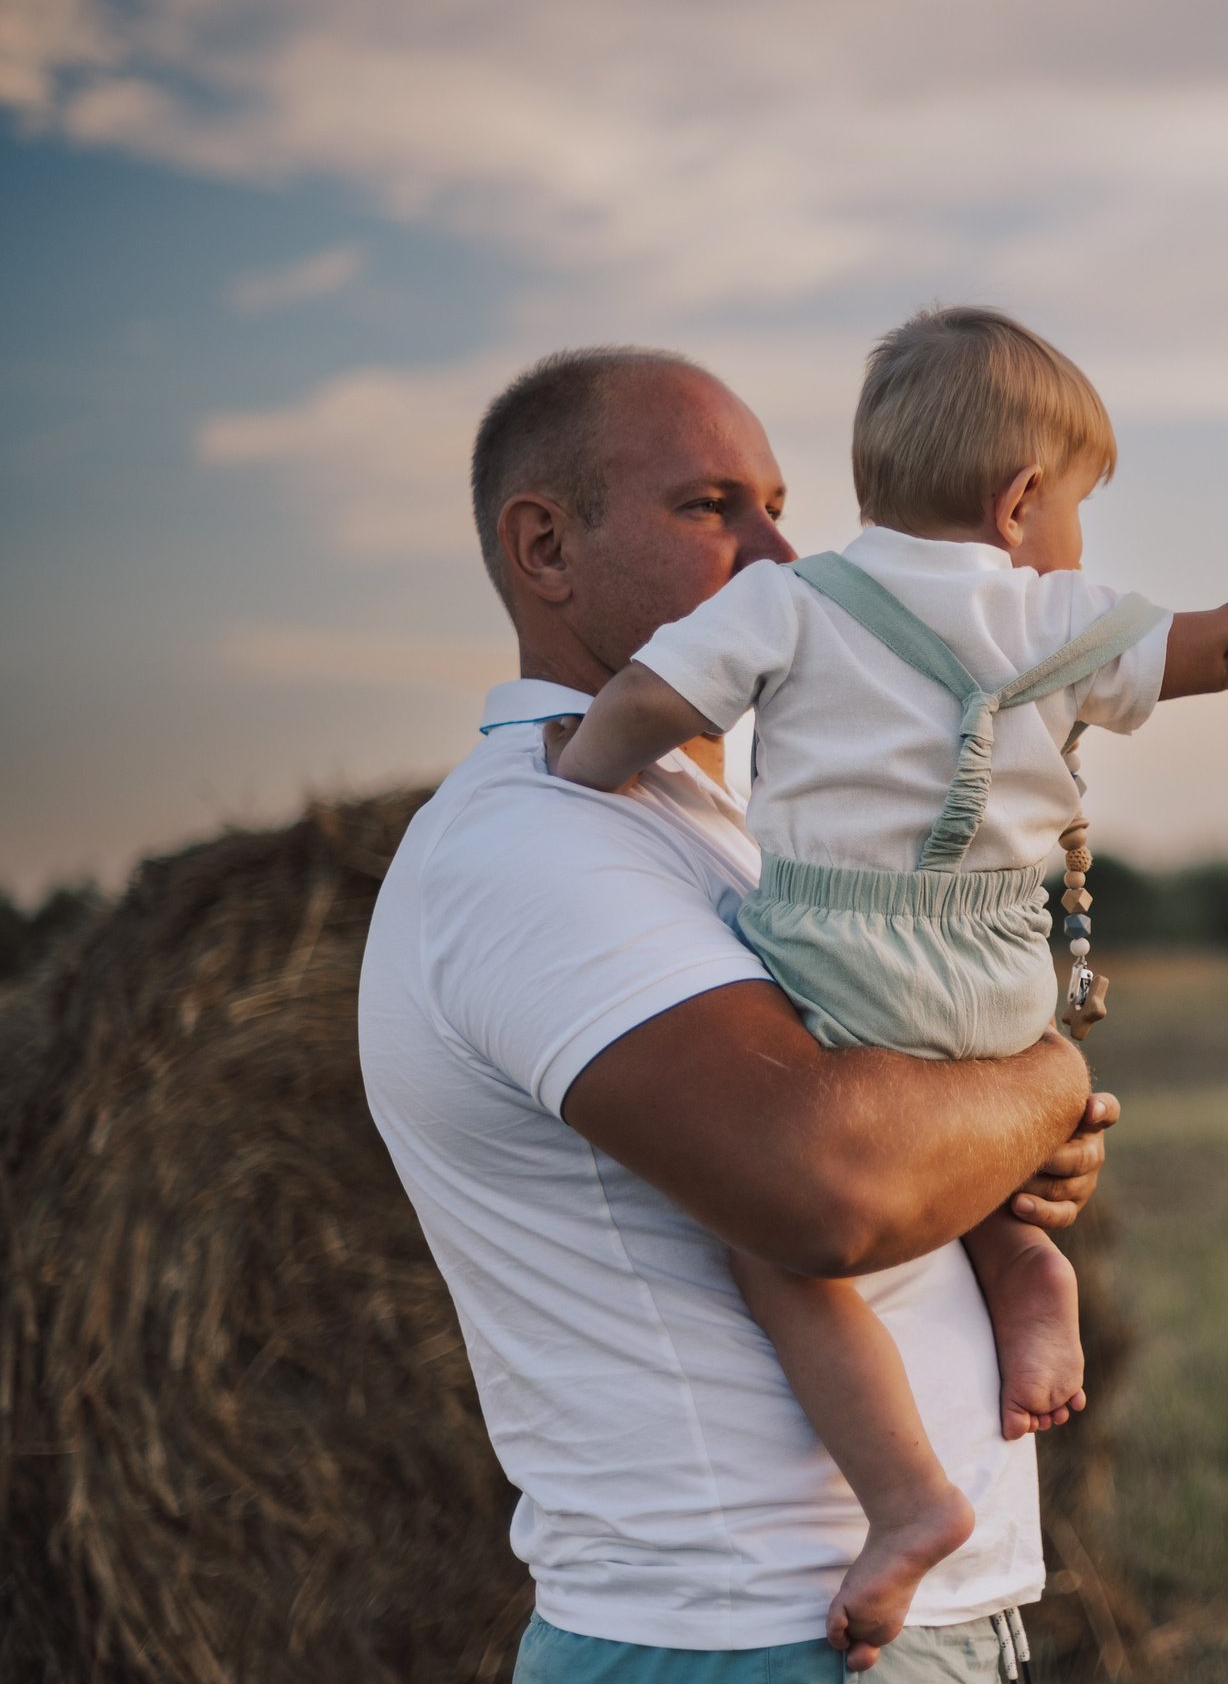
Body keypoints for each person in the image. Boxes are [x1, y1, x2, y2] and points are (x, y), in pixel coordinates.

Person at [550, 305, 1228, 1660]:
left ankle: (904, 1493)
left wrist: (579, 773)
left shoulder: (794, 597)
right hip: (1002, 978)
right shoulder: (1060, 614)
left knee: (773, 1234)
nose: (1081, 536)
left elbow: (653, 703)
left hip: (837, 958)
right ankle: (1019, 1253)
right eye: (1084, 505)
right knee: (955, 1132)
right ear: (1022, 500)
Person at [359, 345, 1114, 1684]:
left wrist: (1002, 1146)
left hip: (876, 1629)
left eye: (779, 503)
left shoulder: (742, 834)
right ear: (545, 548)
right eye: (712, 507)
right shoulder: (534, 845)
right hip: (746, 1635)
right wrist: (1044, 1078)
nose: (782, 551)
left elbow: (898, 1116)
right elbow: (829, 1184)